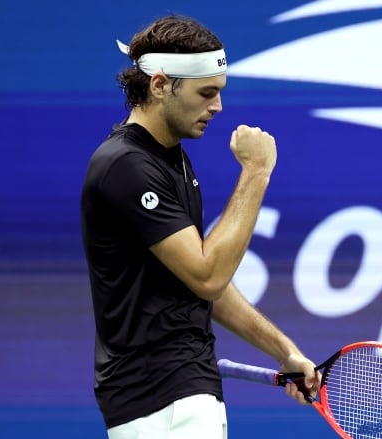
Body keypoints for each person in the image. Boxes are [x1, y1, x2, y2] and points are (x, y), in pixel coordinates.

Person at [80, 15, 319, 439]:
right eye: (206, 93)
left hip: (178, 396)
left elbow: (200, 283)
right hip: (161, 401)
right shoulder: (127, 166)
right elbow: (207, 276)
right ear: (159, 85)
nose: (218, 107)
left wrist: (284, 351)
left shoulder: (171, 159)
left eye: (219, 93)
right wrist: (256, 171)